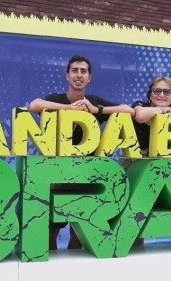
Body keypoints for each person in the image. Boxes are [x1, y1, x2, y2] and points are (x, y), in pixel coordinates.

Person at [29, 55, 133, 250]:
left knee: (80, 230)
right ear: (67, 76)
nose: (79, 75)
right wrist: (69, 109)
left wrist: (96, 110)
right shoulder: (56, 99)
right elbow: (34, 105)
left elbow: (128, 110)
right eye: (74, 71)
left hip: (87, 176)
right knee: (51, 229)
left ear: (89, 78)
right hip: (57, 175)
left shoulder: (92, 102)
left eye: (83, 71)